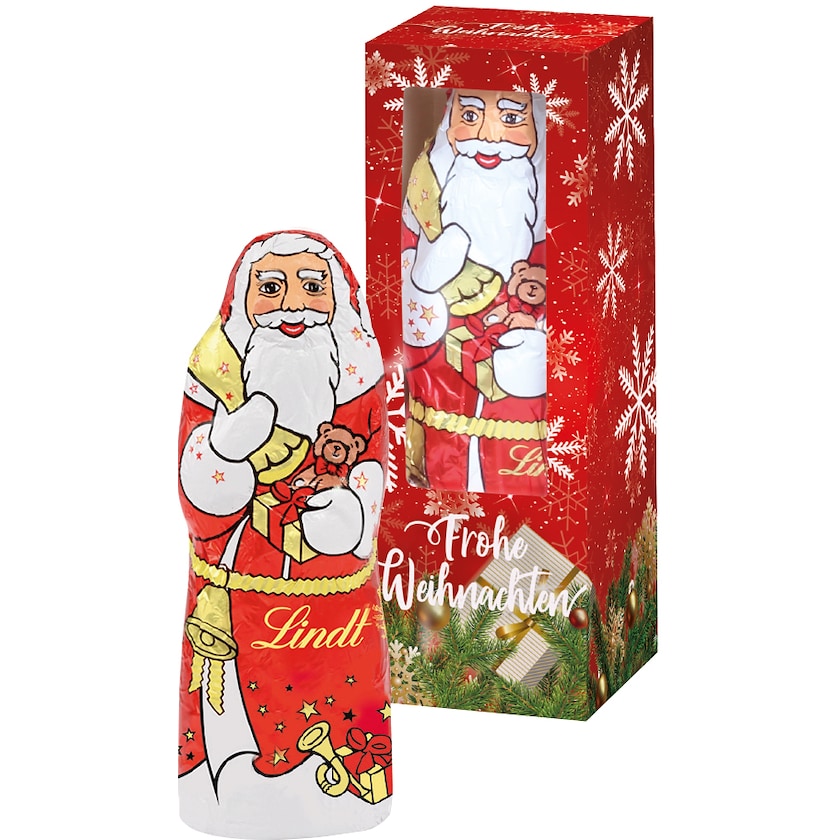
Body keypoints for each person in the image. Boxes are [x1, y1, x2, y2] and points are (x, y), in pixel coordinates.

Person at [177, 231, 392, 837]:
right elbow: (195, 498)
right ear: (243, 302)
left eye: (312, 287)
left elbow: (372, 463)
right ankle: (231, 784)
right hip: (236, 593)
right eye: (270, 288)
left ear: (337, 299)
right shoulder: (214, 381)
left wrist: (352, 516)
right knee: (232, 697)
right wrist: (224, 451)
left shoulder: (356, 382)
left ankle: (343, 788)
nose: (292, 305)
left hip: (337, 608)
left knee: (341, 703)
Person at [401, 89, 549, 495]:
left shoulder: (542, 210)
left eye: (511, 120)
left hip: (521, 407)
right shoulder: (431, 191)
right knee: (447, 461)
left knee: (513, 463)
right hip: (444, 382)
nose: (488, 136)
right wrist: (428, 286)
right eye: (469, 116)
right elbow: (407, 280)